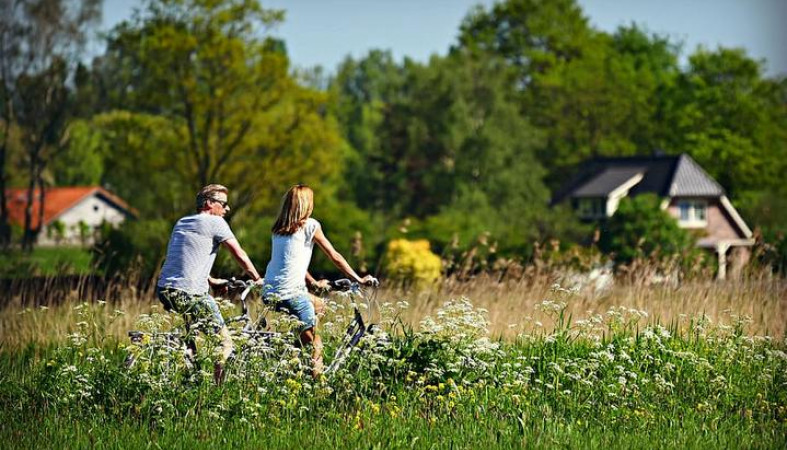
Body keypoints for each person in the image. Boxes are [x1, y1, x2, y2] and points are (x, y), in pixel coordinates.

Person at [263, 184, 377, 378]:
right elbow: (334, 255)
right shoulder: (311, 225)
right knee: (317, 344)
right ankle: (318, 388)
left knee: (320, 305)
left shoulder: (278, 229)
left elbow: (290, 261)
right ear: (306, 205)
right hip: (291, 293)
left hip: (270, 291)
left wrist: (313, 282)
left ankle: (297, 347)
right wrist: (358, 278)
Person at [157, 184, 263, 383]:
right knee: (224, 344)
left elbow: (185, 258)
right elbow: (238, 253)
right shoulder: (215, 222)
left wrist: (211, 280)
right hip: (190, 293)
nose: (227, 209)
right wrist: (257, 279)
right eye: (223, 204)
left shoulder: (182, 222)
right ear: (209, 204)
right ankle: (217, 392)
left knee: (192, 339)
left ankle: (189, 380)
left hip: (165, 289)